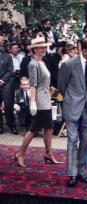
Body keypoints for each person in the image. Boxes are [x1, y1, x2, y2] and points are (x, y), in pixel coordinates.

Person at [58, 37, 87, 187]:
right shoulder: (68, 65)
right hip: (72, 107)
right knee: (72, 140)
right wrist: (72, 98)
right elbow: (62, 86)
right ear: (84, 51)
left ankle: (82, 171)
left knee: (85, 141)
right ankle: (72, 173)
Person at [15, 36, 61, 167]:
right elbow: (33, 84)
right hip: (39, 99)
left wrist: (51, 90)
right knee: (34, 129)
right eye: (41, 47)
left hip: (46, 97)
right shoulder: (33, 64)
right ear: (34, 49)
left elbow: (44, 82)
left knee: (48, 128)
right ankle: (21, 153)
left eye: (45, 47)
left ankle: (48, 153)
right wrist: (33, 102)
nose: (44, 49)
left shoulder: (42, 62)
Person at [0, 33, 16, 134]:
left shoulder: (7, 56)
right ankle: (0, 127)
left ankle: (12, 125)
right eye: (1, 40)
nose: (2, 41)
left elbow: (10, 71)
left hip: (5, 84)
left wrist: (2, 80)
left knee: (9, 106)